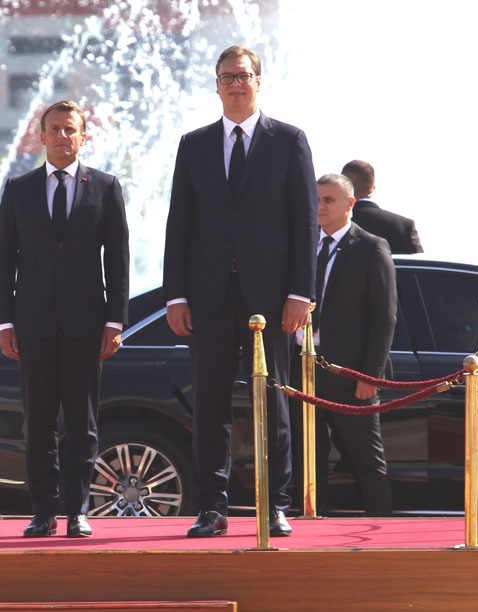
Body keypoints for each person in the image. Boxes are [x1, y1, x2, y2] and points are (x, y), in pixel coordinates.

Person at [163, 45, 318, 537]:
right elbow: (179, 224)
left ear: (258, 81)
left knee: (272, 403)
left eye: (244, 75)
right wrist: (175, 296)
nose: (235, 83)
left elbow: (305, 223)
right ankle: (212, 506)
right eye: (227, 76)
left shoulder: (289, 140)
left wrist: (301, 293)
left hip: (270, 300)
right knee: (210, 406)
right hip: (208, 298)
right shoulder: (194, 144)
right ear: (216, 84)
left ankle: (275, 505)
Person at [0, 100, 130, 538]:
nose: (62, 136)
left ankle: (78, 510)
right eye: (54, 129)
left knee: (82, 424)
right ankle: (43, 511)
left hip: (86, 325)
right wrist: (5, 322)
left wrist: (115, 321)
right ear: (42, 136)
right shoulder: (19, 189)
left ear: (83, 137)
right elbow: (3, 260)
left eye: (70, 129)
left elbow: (118, 261)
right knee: (38, 423)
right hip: (32, 325)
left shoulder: (105, 187)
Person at [310, 174, 395, 516]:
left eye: (329, 200)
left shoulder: (371, 247)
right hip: (305, 369)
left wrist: (369, 374)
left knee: (366, 460)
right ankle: (312, 527)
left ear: (350, 204)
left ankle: (381, 529)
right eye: (317, 199)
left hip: (352, 374)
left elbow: (384, 317)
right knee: (309, 459)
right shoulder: (304, 244)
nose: (320, 206)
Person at [341, 160, 423, 254]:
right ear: (372, 188)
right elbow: (419, 262)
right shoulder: (404, 227)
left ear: (342, 188)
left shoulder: (333, 224)